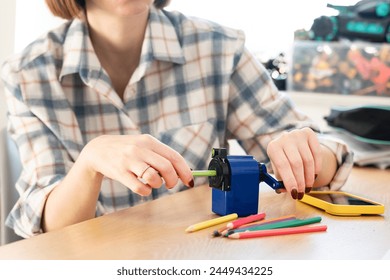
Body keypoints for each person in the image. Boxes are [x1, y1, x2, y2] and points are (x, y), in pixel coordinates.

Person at [1, 0, 353, 238]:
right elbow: (48, 225)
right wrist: (90, 161)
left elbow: (317, 157)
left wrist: (307, 150)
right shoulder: (27, 74)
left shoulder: (219, 48)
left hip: (200, 255)